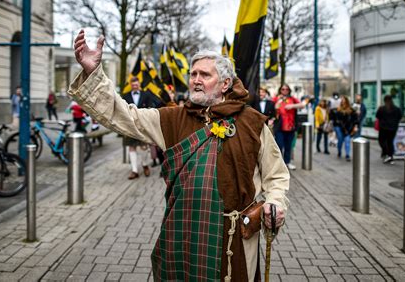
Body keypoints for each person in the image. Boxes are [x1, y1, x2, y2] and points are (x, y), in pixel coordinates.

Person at [69, 30, 289, 281]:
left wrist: (276, 202)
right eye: (193, 74)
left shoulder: (252, 123)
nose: (195, 79)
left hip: (234, 239)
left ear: (225, 84)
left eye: (204, 74)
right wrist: (92, 74)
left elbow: (276, 175)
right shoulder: (173, 119)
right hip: (182, 233)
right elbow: (126, 117)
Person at [121, 76, 157, 179]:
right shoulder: (125, 96)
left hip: (142, 125)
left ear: (139, 84)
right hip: (130, 125)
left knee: (144, 147)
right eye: (133, 85)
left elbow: (150, 108)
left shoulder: (146, 95)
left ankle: (145, 164)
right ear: (130, 85)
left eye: (136, 84)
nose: (135, 86)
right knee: (131, 147)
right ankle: (134, 170)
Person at [274, 84, 305, 170]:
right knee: (279, 145)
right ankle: (279, 164)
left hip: (290, 126)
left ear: (289, 90)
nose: (285, 91)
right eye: (283, 89)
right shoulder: (277, 98)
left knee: (288, 146)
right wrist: (279, 101)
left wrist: (292, 106)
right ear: (280, 90)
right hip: (280, 126)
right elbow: (273, 107)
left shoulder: (292, 99)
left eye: (286, 89)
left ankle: (287, 162)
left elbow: (302, 105)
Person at [330, 95, 359, 161]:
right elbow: (337, 120)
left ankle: (347, 155)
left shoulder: (351, 110)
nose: (343, 102)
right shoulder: (338, 110)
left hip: (348, 128)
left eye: (344, 101)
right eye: (342, 101)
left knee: (347, 140)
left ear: (347, 101)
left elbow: (355, 119)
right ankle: (339, 151)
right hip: (340, 127)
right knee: (340, 140)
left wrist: (355, 126)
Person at [376, 95, 402, 164]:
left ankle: (386, 153)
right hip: (393, 128)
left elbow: (377, 116)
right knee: (390, 142)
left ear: (384, 101)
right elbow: (400, 117)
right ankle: (390, 156)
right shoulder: (397, 109)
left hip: (383, 128)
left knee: (382, 141)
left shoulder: (382, 109)